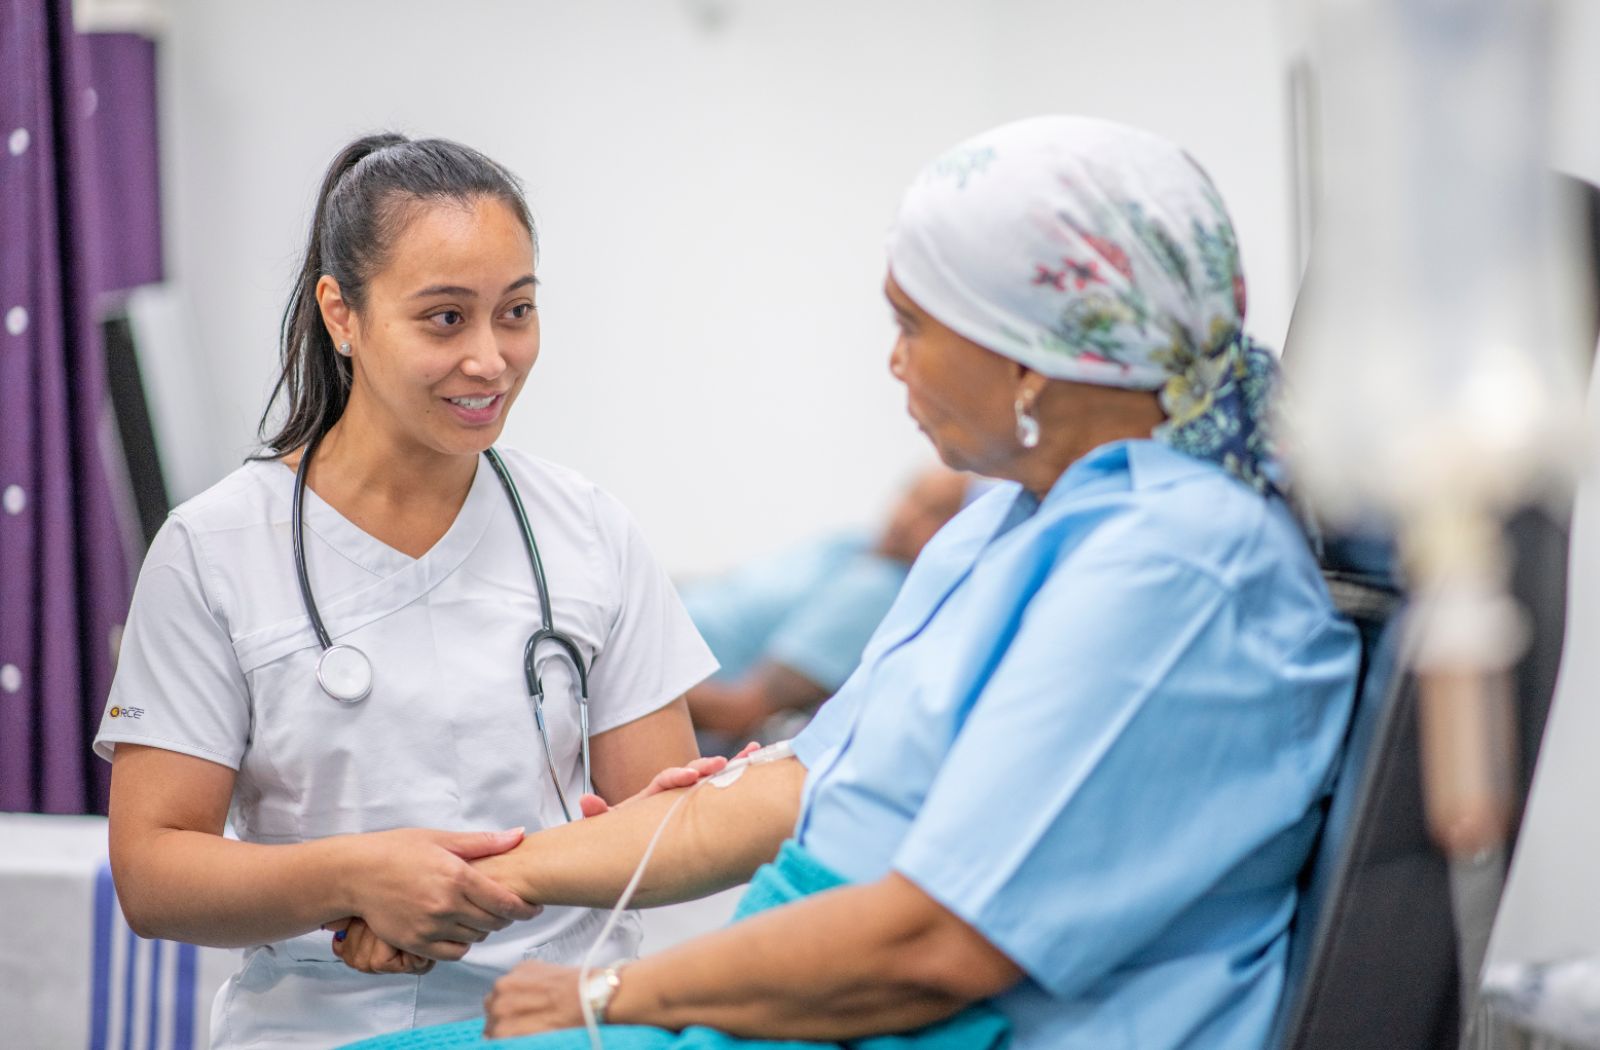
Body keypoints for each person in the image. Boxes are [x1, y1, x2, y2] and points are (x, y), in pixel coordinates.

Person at [336, 116, 1362, 1050]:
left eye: (913, 325)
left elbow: (932, 948)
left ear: (1031, 358)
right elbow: (794, 787)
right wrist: (478, 880)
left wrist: (612, 996)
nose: (894, 365)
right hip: (813, 984)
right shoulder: (1013, 513)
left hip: (920, 1014)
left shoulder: (1174, 571)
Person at [93, 134, 728, 1049]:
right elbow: (152, 873)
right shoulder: (213, 549)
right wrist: (351, 880)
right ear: (341, 314)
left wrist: (682, 817)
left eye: (516, 311)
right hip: (321, 1024)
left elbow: (657, 834)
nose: (491, 359)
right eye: (444, 319)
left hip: (558, 1019)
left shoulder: (586, 529)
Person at [684, 467, 969, 749]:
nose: (909, 517)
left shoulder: (876, 594)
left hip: (674, 692)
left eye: (936, 513)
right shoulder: (849, 545)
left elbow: (737, 712)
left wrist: (650, 677)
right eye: (913, 496)